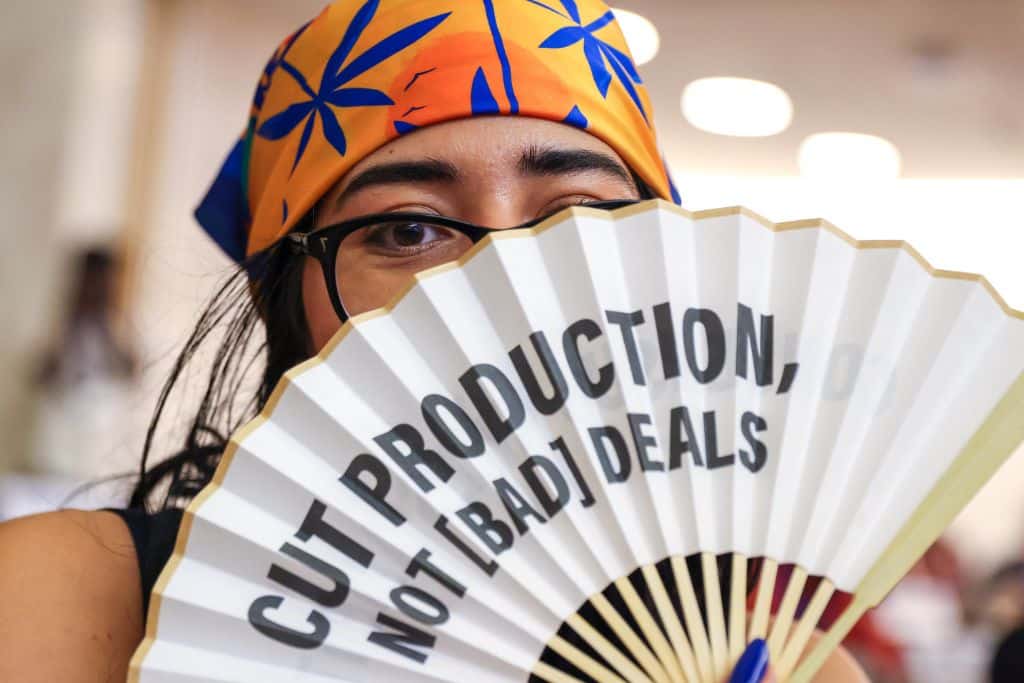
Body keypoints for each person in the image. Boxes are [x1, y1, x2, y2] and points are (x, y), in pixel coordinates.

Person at [0, 1, 867, 681]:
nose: (506, 280)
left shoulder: (781, 659)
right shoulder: (75, 598)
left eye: (583, 219)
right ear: (287, 303)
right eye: (409, 230)